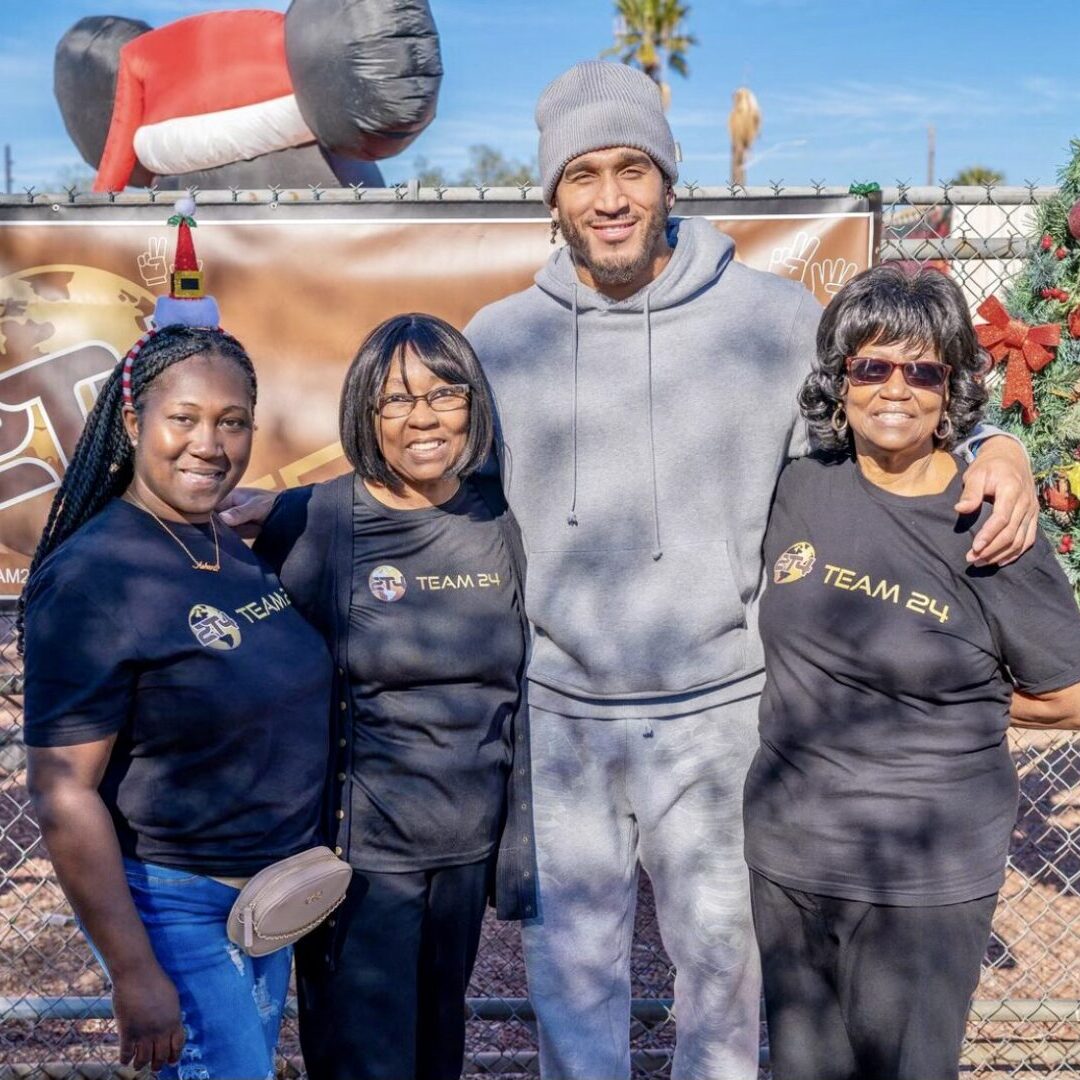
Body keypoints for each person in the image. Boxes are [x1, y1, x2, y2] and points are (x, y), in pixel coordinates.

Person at [459, 61, 1041, 1080]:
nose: (610, 196)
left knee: (722, 981)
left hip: (723, 714)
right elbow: (413, 473)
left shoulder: (772, 324)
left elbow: (889, 404)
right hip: (558, 719)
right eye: (583, 173)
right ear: (551, 192)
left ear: (669, 179)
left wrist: (1000, 442)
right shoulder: (499, 341)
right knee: (571, 982)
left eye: (632, 167)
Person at [744, 265, 1080, 1080]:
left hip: (923, 868)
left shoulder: (988, 520)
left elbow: (1069, 692)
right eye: (872, 366)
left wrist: (963, 706)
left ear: (952, 389)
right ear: (840, 381)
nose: (897, 388)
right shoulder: (797, 486)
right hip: (790, 854)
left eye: (924, 370)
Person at [21, 324, 333, 1079]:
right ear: (133, 425)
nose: (209, 443)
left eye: (231, 422)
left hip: (266, 904)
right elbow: (63, 793)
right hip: (176, 911)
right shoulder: (95, 575)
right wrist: (135, 973)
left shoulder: (229, 544)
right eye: (184, 418)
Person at [251, 313, 535, 1080]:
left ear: (474, 404)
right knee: (365, 1063)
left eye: (445, 394)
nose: (423, 418)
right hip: (359, 861)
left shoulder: (499, 518)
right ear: (364, 414)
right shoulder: (315, 520)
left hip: (465, 855)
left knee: (437, 1053)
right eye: (395, 400)